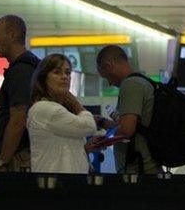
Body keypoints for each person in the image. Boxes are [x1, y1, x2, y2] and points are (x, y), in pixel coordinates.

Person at [28, 54, 103, 174]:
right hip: (56, 184)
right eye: (57, 72)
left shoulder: (57, 108)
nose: (64, 77)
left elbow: (61, 147)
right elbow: (89, 126)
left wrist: (85, 148)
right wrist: (76, 104)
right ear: (43, 78)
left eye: (67, 73)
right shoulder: (46, 108)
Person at [95, 45, 159, 174]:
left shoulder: (131, 85)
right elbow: (135, 126)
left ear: (109, 66)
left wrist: (102, 141)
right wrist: (105, 123)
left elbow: (126, 130)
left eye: (106, 77)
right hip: (146, 166)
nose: (110, 83)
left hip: (140, 169)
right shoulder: (142, 81)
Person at [0, 14, 40, 170]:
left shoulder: (21, 70)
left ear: (12, 35)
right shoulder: (28, 66)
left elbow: (18, 121)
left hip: (18, 158)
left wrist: (2, 162)